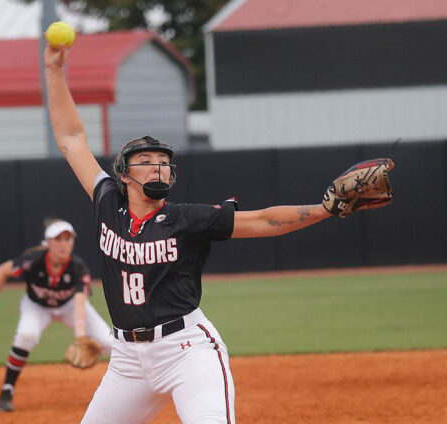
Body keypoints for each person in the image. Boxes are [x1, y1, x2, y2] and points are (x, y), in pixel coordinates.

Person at [44, 40, 381, 424]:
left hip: (187, 351)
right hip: (126, 361)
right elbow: (71, 139)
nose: (157, 168)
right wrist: (54, 71)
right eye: (145, 162)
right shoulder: (107, 202)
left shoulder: (187, 219)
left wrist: (324, 209)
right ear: (123, 173)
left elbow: (261, 220)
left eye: (164, 163)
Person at [0, 218, 113, 412]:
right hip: (37, 306)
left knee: (110, 343)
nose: (64, 244)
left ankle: (128, 391)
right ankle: (7, 389)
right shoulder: (33, 260)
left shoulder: (78, 267)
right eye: (58, 239)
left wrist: (80, 336)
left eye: (68, 239)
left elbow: (79, 302)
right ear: (48, 243)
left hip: (69, 306)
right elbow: (2, 271)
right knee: (26, 335)